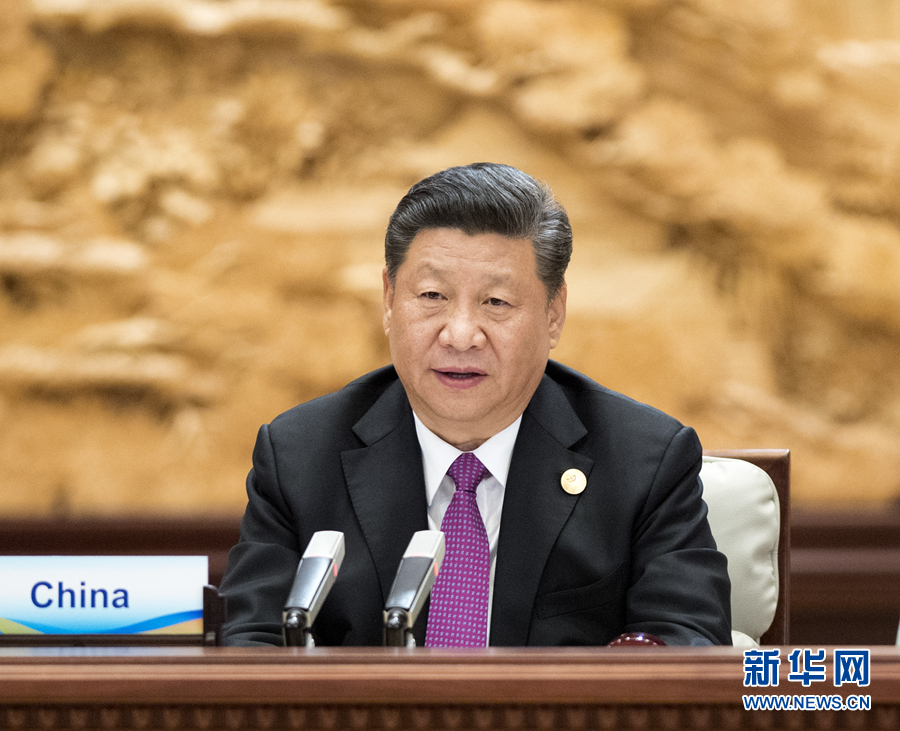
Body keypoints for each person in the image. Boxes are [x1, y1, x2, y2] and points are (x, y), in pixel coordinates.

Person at [219, 162, 732, 647]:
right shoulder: (299, 457)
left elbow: (685, 643)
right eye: (432, 296)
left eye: (496, 302)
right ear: (389, 300)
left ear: (554, 314)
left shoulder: (643, 463)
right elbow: (251, 645)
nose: (461, 335)